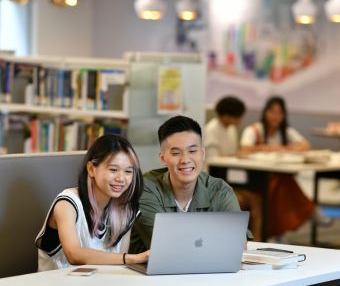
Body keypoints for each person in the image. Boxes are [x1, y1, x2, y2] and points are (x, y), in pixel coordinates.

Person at [129, 115, 250, 253]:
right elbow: (163, 247)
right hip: (148, 273)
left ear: (202, 154)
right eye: (175, 153)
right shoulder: (145, 189)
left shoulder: (220, 190)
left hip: (208, 272)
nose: (185, 159)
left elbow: (238, 243)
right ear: (163, 158)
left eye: (192, 151)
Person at [35, 134, 149, 271]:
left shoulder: (126, 210)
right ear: (91, 169)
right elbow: (74, 254)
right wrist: (132, 258)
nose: (121, 178)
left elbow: (117, 265)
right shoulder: (67, 203)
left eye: (128, 171)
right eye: (113, 170)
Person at [240, 95, 332, 238]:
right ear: (265, 112)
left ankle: (279, 233)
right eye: (272, 112)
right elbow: (244, 148)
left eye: (279, 113)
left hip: (275, 177)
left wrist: (281, 148)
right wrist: (275, 148)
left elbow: (305, 145)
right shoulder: (254, 130)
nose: (275, 116)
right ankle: (309, 212)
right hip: (255, 180)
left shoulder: (284, 131)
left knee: (282, 183)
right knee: (283, 184)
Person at [204, 96, 263, 240]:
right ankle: (249, 240)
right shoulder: (211, 130)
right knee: (251, 200)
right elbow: (213, 161)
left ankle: (255, 240)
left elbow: (231, 154)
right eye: (239, 116)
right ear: (228, 115)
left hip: (230, 180)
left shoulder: (231, 129)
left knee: (258, 199)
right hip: (214, 183)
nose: (240, 120)